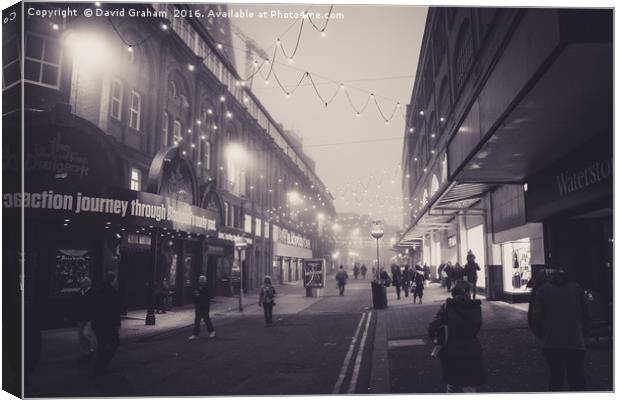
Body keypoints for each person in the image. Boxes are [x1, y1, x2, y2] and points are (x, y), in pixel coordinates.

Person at [531, 268, 590, 391]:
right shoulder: (576, 288)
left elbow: (536, 315)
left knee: (556, 377)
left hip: (551, 342)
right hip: (575, 341)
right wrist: (585, 330)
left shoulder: (542, 290)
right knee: (576, 378)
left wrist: (541, 333)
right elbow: (586, 313)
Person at [428, 280, 483, 392]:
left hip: (451, 352)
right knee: (469, 386)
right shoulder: (475, 307)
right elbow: (476, 327)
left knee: (452, 385)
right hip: (471, 351)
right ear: (467, 292)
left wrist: (438, 339)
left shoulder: (447, 307)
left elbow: (432, 328)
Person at [91, 272, 121, 375]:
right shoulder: (112, 292)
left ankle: (99, 366)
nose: (116, 281)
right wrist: (117, 324)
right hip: (109, 324)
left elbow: (93, 307)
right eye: (115, 280)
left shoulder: (97, 290)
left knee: (102, 345)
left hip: (97, 323)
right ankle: (101, 365)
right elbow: (115, 310)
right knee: (114, 343)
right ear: (112, 280)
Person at [75, 277, 97, 362]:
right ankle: (84, 353)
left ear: (88, 284)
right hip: (80, 317)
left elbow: (95, 305)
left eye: (83, 283)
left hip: (89, 317)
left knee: (87, 334)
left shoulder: (93, 292)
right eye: (81, 283)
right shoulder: (79, 293)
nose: (81, 285)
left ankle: (92, 350)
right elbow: (75, 304)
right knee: (81, 336)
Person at [188, 275, 216, 340]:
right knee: (197, 321)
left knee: (206, 320)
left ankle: (212, 331)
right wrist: (196, 297)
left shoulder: (207, 288)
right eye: (200, 279)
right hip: (198, 306)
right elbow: (194, 295)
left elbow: (209, 296)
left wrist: (199, 296)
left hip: (205, 306)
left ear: (205, 281)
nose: (201, 281)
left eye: (203, 280)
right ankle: (195, 334)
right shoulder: (197, 287)